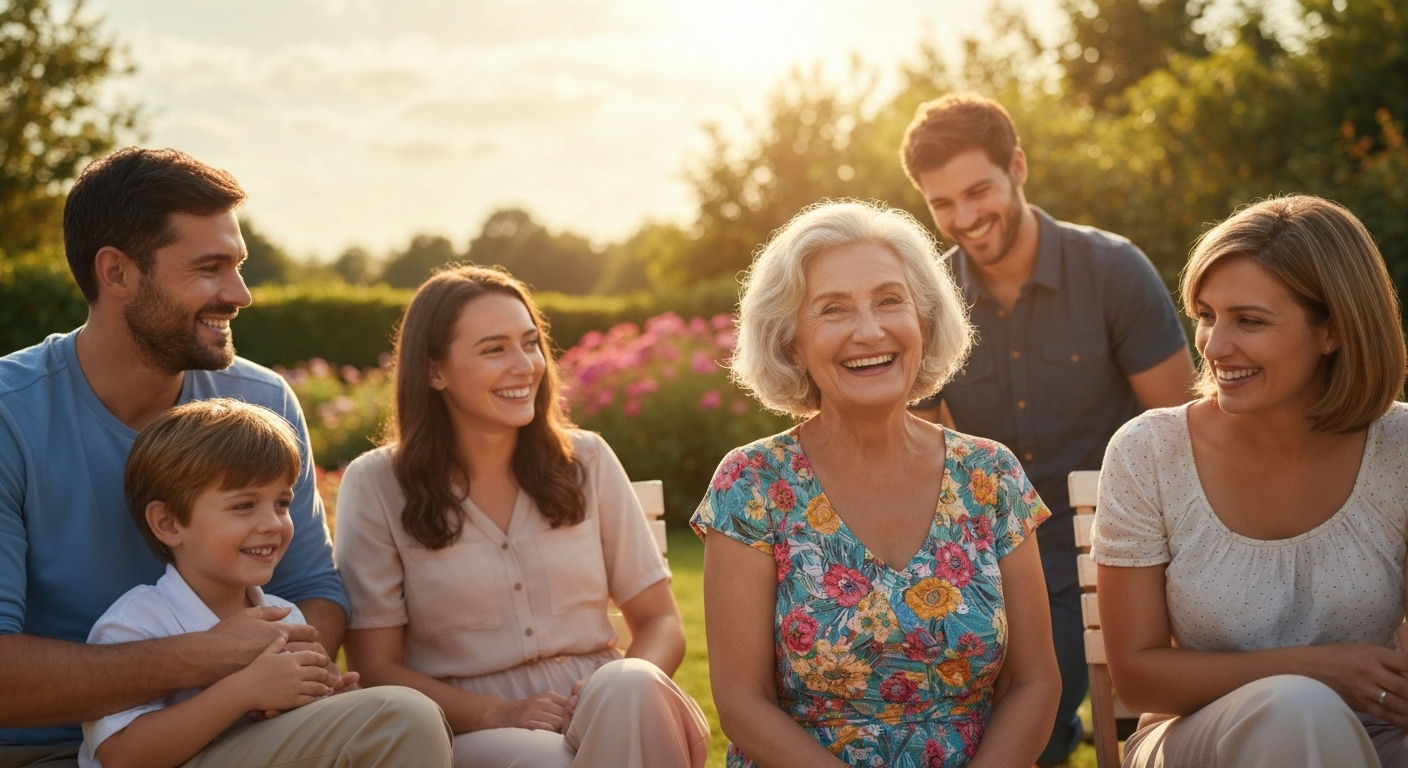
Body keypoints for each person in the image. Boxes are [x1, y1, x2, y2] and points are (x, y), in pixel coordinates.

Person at [0, 147, 450, 768]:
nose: (240, 293)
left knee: (388, 722)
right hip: (48, 755)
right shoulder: (10, 415)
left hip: (236, 732)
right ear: (117, 274)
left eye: (237, 266)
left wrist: (286, 684)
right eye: (210, 268)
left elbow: (314, 592)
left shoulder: (259, 400)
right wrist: (213, 659)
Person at [694, 200, 1061, 767]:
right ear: (791, 342)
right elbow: (743, 702)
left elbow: (1034, 682)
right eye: (833, 310)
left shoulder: (991, 475)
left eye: (890, 301)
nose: (870, 331)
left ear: (924, 320)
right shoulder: (751, 484)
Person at [899, 93, 1196, 763]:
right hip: (1000, 559)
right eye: (942, 204)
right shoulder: (929, 302)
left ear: (1019, 169)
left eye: (978, 190)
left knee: (1047, 722)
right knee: (989, 729)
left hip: (1125, 543)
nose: (965, 218)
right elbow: (917, 455)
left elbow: (1183, 432)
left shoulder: (1112, 271)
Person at [334, 264, 709, 768]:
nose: (525, 365)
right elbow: (376, 668)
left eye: (530, 343)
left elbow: (661, 619)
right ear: (433, 371)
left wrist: (600, 694)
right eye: (494, 349)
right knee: (548, 761)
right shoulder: (378, 484)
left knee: (634, 685)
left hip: (604, 702)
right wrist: (499, 712)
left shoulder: (588, 460)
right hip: (470, 726)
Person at [1091, 195, 1408, 768]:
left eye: (1250, 321)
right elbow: (1137, 679)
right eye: (1207, 315)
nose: (1214, 345)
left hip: (1377, 733)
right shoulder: (1147, 452)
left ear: (1332, 330)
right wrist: (1318, 670)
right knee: (1298, 709)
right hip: (1196, 738)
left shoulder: (1401, 447)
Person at [81, 398, 451, 768]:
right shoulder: (136, 622)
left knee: (402, 719)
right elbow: (122, 756)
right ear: (168, 523)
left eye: (281, 503)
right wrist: (244, 691)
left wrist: (334, 702)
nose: (272, 524)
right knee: (407, 714)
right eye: (244, 505)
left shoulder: (285, 617)